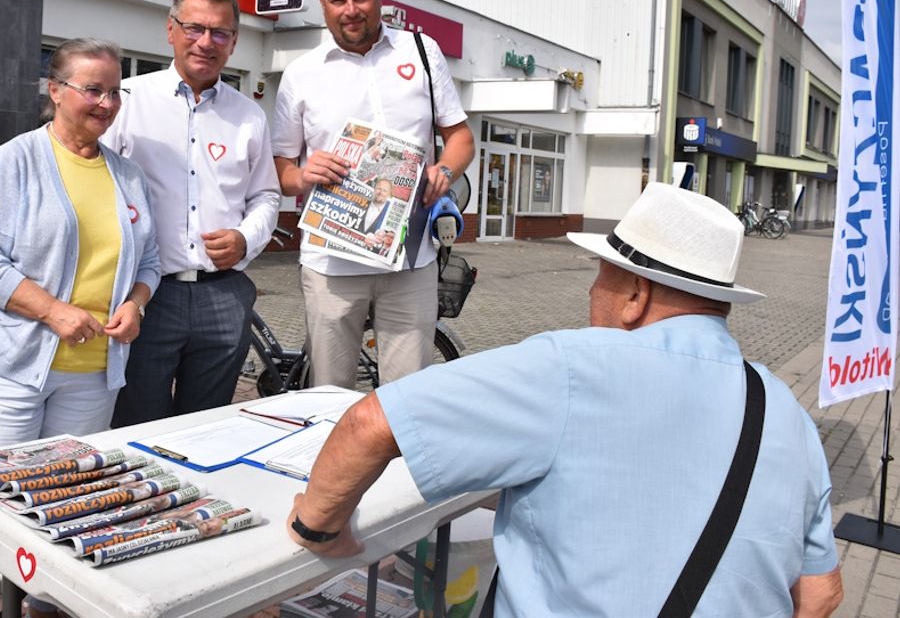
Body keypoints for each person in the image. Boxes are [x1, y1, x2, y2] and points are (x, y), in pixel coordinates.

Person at [286, 183, 843, 617]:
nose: (590, 293)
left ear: (634, 295)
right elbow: (820, 594)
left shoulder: (573, 369)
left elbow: (370, 423)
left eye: (601, 277)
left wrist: (319, 527)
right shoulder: (786, 411)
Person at [0, 38, 160, 618]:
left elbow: (149, 262)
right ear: (56, 90)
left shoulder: (126, 174)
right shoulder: (14, 160)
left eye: (114, 91)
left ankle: (40, 608)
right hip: (13, 368)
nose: (106, 102)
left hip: (92, 377)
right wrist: (51, 310)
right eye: (92, 89)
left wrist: (138, 304)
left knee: (62, 507)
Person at [273, 0, 474, 388]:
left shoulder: (421, 51)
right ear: (322, 4)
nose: (350, 11)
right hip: (330, 266)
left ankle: (399, 461)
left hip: (411, 259)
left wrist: (445, 171)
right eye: (338, 1)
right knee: (328, 395)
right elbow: (282, 169)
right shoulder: (301, 74)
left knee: (408, 398)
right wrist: (303, 175)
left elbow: (461, 139)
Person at [106, 0, 280, 426]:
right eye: (194, 27)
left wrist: (246, 238)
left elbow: (266, 194)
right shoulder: (126, 100)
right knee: (134, 420)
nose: (206, 42)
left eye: (220, 33)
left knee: (204, 426)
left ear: (235, 42)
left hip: (223, 296)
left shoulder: (249, 116)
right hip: (147, 295)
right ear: (171, 30)